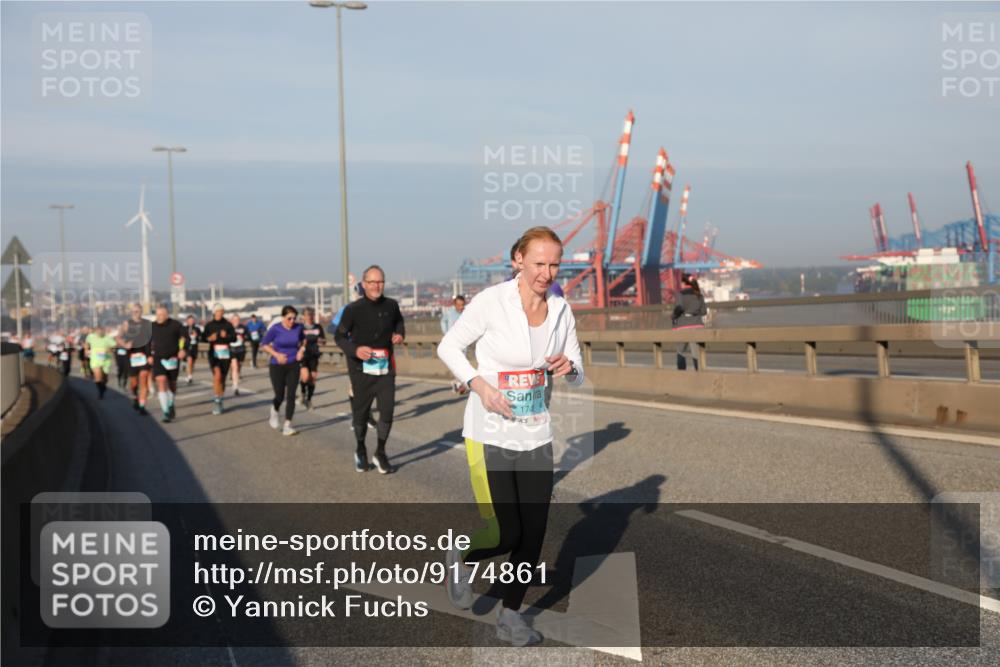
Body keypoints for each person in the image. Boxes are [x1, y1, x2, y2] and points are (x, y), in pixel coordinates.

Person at [437, 226, 584, 647]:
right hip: (489, 432)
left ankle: (510, 616)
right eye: (539, 263)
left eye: (554, 263)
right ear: (518, 259)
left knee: (533, 534)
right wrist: (479, 385)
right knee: (505, 533)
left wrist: (568, 368)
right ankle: (462, 558)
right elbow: (449, 347)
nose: (547, 272)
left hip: (536, 432)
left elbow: (577, 366)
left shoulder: (560, 308)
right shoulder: (491, 302)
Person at [334, 265, 405, 474]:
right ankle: (361, 449)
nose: (376, 286)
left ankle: (380, 452)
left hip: (385, 369)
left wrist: (400, 334)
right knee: (361, 415)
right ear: (364, 284)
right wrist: (355, 350)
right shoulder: (353, 309)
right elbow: (339, 337)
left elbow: (399, 322)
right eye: (372, 282)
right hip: (360, 370)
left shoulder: (391, 305)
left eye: (380, 281)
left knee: (387, 411)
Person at [260, 305, 305, 436]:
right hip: (277, 366)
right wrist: (276, 355)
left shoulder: (298, 328)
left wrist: (301, 350)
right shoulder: (276, 329)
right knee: (279, 395)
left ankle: (287, 425)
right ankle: (274, 411)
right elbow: (264, 344)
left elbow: (303, 341)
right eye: (289, 318)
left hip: (293, 365)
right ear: (283, 317)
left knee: (291, 395)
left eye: (294, 318)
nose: (292, 321)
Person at [150, 304, 187, 422]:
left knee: (172, 384)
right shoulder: (151, 327)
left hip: (172, 358)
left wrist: (182, 349)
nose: (159, 317)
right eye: (157, 315)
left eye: (162, 315)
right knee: (161, 381)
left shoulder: (176, 325)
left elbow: (184, 338)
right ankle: (165, 411)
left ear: (167, 315)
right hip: (158, 358)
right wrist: (148, 355)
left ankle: (171, 403)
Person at [117, 304, 153, 415]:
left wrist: (151, 355)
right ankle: (135, 397)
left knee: (143, 378)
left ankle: (142, 406)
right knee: (134, 382)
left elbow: (152, 339)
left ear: (141, 312)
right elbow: (118, 337)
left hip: (144, 355)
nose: (136, 313)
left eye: (138, 311)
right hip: (131, 356)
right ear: (131, 312)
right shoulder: (127, 324)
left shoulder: (147, 324)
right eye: (134, 311)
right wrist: (125, 344)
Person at [202, 304, 236, 415]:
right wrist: (209, 338)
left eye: (222, 311)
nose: (220, 313)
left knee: (223, 379)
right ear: (214, 313)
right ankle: (216, 400)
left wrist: (226, 336)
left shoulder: (228, 325)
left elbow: (234, 338)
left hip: (225, 355)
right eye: (218, 311)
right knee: (217, 375)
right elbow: (202, 338)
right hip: (214, 354)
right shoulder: (209, 325)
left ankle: (220, 399)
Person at [672, 273, 706, 371]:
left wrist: (673, 316)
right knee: (696, 353)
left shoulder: (680, 294)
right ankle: (699, 373)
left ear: (683, 282)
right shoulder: (699, 295)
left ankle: (682, 375)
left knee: (680, 351)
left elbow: (679, 308)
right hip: (697, 326)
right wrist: (694, 312)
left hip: (683, 326)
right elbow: (704, 311)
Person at [440, 295, 468, 394]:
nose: (461, 307)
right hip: (453, 342)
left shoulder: (466, 313)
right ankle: (459, 383)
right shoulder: (449, 313)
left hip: (464, 342)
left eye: (462, 305)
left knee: (463, 363)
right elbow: (443, 322)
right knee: (457, 363)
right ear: (454, 304)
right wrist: (447, 334)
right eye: (459, 305)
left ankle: (458, 383)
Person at [299, 307, 325, 410]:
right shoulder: (300, 328)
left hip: (314, 355)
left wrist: (321, 341)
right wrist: (301, 343)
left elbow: (323, 340)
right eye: (308, 315)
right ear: (304, 316)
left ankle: (308, 400)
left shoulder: (318, 327)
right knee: (305, 377)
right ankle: (302, 393)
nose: (310, 317)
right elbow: (296, 341)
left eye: (311, 314)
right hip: (304, 355)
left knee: (313, 378)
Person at [84, 324, 117, 399]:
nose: (99, 332)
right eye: (98, 331)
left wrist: (109, 349)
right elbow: (86, 343)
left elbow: (114, 345)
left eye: (101, 331)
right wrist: (86, 350)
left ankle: (103, 385)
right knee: (97, 376)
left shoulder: (107, 337)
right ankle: (100, 391)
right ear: (95, 331)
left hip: (105, 359)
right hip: (95, 358)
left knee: (104, 376)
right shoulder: (90, 336)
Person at [229, 314, 248, 396]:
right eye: (234, 319)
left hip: (241, 349)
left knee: (239, 366)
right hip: (231, 349)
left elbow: (248, 336)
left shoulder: (243, 327)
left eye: (237, 319)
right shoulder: (228, 327)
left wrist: (244, 338)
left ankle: (236, 376)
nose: (236, 321)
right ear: (232, 320)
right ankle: (235, 386)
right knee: (235, 366)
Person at [184, 315, 203, 385]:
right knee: (190, 360)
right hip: (187, 347)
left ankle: (190, 375)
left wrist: (197, 336)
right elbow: (182, 338)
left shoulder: (197, 329)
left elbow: (200, 338)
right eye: (189, 320)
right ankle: (189, 376)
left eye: (192, 320)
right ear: (187, 321)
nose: (191, 322)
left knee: (193, 362)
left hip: (194, 346)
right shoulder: (184, 328)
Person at [114, 322, 130, 389]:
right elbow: (117, 340)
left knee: (127, 369)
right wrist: (124, 344)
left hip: (127, 354)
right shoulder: (119, 334)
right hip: (119, 354)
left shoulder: (130, 334)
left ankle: (125, 383)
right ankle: (119, 379)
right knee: (120, 368)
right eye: (125, 326)